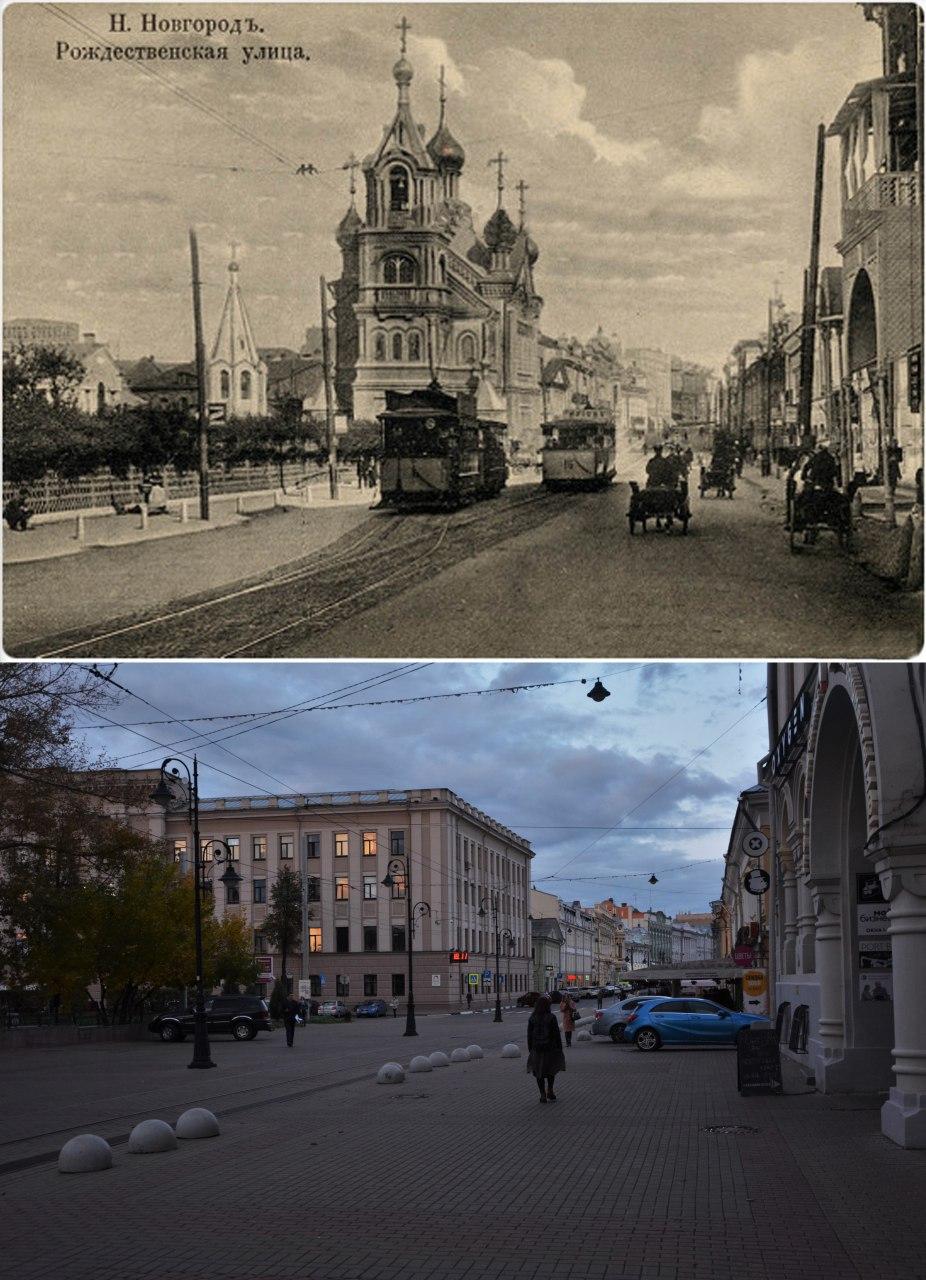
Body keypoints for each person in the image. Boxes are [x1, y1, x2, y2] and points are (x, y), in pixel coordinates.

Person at [526, 994, 566, 1103]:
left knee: (539, 1072)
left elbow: (529, 1035)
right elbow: (556, 1034)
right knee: (550, 1071)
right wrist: (559, 1048)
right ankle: (550, 1091)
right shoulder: (551, 1017)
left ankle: (542, 1094)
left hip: (536, 1049)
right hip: (550, 1049)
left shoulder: (532, 1018)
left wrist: (531, 1049)